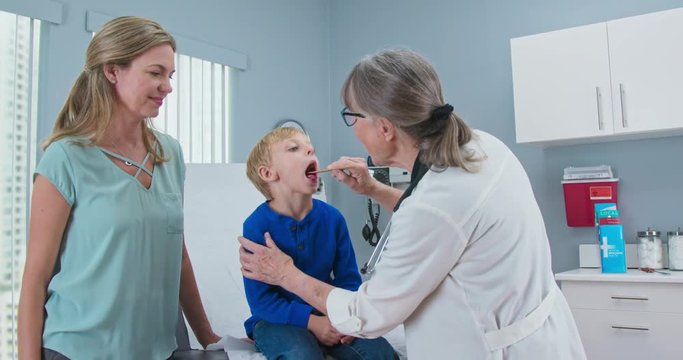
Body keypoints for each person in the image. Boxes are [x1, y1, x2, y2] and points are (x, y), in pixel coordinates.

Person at [239, 49, 587, 359]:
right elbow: (445, 218)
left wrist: (286, 275)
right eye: (294, 150)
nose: (351, 129)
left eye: (353, 116)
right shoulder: (485, 146)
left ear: (385, 128)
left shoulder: (412, 208)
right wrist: (374, 189)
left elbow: (369, 312)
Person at [17, 16, 220, 359]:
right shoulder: (65, 157)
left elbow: (178, 257)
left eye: (169, 76)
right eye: (155, 73)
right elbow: (35, 279)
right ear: (113, 71)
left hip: (161, 349)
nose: (167, 87)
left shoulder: (169, 153)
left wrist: (209, 338)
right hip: (78, 350)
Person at [241, 127, 396, 360]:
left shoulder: (333, 219)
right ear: (268, 173)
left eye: (309, 147)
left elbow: (348, 280)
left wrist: (346, 319)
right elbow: (261, 301)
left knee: (380, 353)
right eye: (294, 148)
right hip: (276, 321)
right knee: (301, 355)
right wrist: (313, 323)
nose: (310, 150)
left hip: (331, 313)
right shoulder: (256, 226)